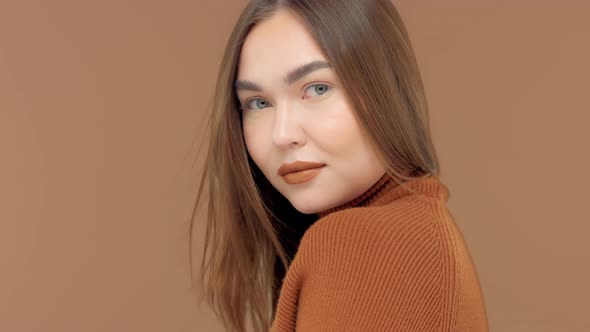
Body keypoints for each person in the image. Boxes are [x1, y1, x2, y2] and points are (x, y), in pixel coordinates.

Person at [192, 0, 489, 331]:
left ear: (385, 89)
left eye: (317, 88)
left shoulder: (357, 241)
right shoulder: (423, 229)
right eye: (258, 103)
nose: (282, 134)